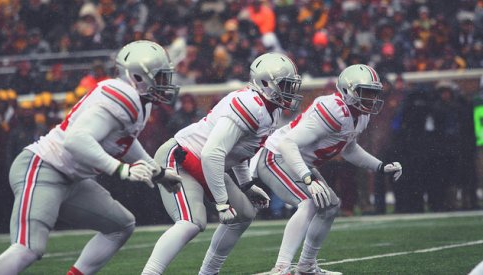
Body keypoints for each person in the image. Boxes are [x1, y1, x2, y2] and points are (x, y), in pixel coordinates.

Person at [0, 40, 182, 275]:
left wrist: (159, 172)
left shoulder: (140, 104)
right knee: (28, 248)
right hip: (43, 167)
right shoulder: (123, 96)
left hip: (72, 178)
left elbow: (125, 142)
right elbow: (76, 140)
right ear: (138, 76)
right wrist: (121, 170)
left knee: (120, 226)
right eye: (161, 77)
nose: (166, 84)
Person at [142, 52, 304, 275]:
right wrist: (221, 203)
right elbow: (212, 153)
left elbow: (237, 151)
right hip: (180, 157)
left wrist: (246, 184)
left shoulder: (269, 111)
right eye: (285, 84)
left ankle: (208, 273)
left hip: (205, 163)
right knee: (191, 222)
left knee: (244, 214)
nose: (290, 91)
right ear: (265, 83)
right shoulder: (250, 105)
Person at [252, 64, 403, 275]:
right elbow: (287, 144)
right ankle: (281, 269)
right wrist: (307, 179)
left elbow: (349, 149)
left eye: (373, 92)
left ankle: (306, 266)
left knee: (330, 206)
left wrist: (379, 166)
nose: (371, 98)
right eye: (365, 92)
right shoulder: (334, 109)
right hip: (275, 155)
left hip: (297, 163)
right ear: (348, 91)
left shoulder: (359, 116)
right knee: (309, 202)